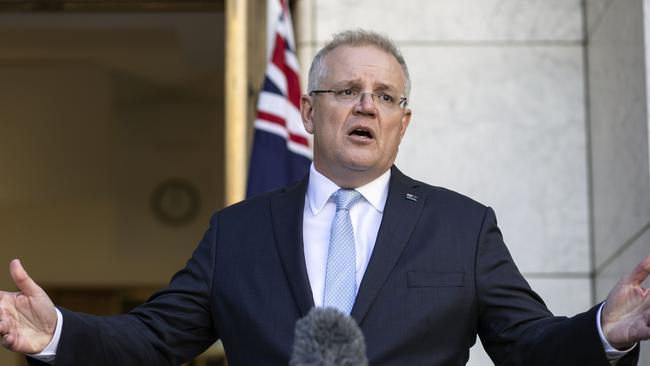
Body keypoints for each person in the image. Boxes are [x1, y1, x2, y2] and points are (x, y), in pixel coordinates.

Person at [0, 29, 648, 366]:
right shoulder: (238, 234)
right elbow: (151, 343)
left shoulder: (464, 228)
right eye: (347, 90)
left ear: (403, 122)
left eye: (386, 95)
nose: (367, 103)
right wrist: (58, 333)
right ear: (309, 111)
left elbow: (530, 348)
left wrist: (603, 332)